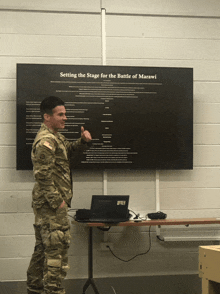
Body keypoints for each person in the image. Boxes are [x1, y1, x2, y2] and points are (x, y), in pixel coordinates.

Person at [27, 96, 92, 294]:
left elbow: (68, 151)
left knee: (42, 248)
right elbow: (42, 176)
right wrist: (58, 203)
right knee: (57, 250)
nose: (65, 118)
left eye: (65, 114)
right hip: (51, 206)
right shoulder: (46, 141)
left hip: (49, 205)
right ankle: (53, 290)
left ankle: (35, 287)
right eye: (60, 114)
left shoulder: (55, 136)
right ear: (47, 116)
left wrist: (83, 142)